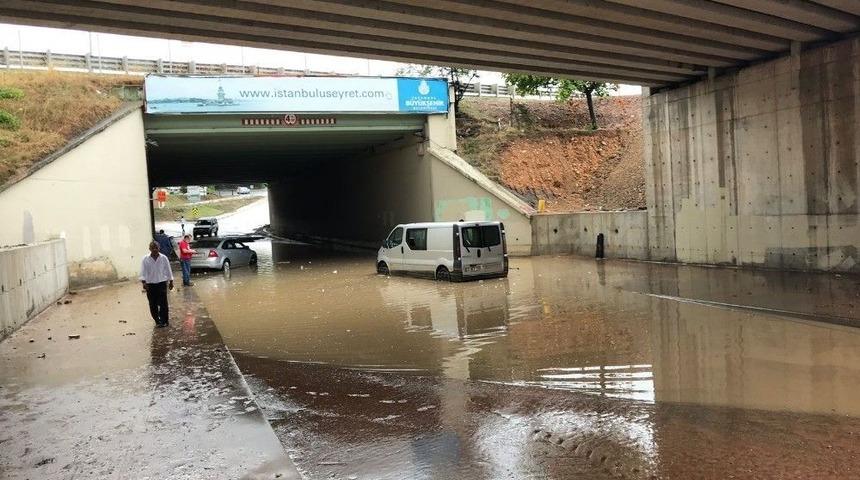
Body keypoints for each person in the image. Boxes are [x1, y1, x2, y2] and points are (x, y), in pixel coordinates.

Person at [140, 241, 174, 327]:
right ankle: (157, 321)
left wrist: (171, 281)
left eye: (156, 247)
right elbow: (143, 271)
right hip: (150, 285)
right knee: (152, 304)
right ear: (149, 248)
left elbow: (168, 270)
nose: (155, 249)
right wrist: (144, 282)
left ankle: (164, 321)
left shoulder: (164, 258)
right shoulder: (145, 259)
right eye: (153, 248)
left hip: (161, 283)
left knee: (163, 304)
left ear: (159, 248)